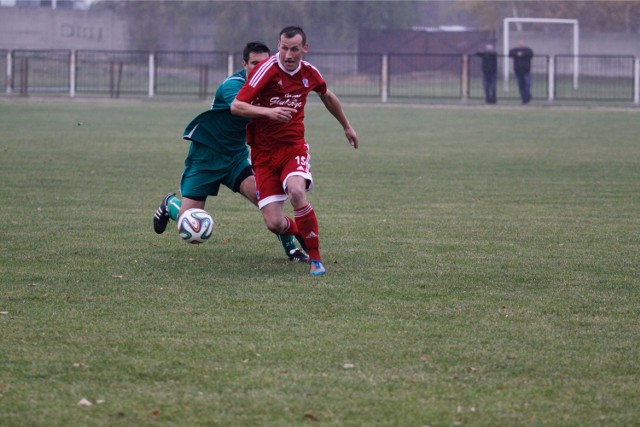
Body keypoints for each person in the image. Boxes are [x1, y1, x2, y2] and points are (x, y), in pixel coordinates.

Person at [153, 41, 309, 263]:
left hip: (236, 157)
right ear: (244, 64)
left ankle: (293, 248)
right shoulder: (232, 85)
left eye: (264, 63)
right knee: (191, 227)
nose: (259, 68)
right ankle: (170, 205)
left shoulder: (270, 85)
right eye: (254, 63)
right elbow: (240, 107)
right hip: (206, 156)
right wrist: (271, 111)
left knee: (265, 200)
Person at [230, 26, 358, 276]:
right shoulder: (265, 71)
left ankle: (316, 259)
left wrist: (347, 126)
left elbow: (327, 95)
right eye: (284, 48)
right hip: (263, 155)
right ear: (278, 45)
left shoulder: (309, 73)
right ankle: (301, 229)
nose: (288, 55)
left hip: (292, 147)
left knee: (297, 191)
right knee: (274, 223)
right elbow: (237, 106)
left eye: (294, 49)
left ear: (304, 49)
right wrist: (269, 112)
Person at [508, 39, 534, 104]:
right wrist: (518, 54)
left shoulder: (528, 50)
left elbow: (530, 54)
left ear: (524, 44)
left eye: (522, 43)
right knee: (521, 86)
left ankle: (527, 96)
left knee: (527, 84)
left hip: (526, 71)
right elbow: (510, 54)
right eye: (519, 43)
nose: (521, 44)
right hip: (518, 71)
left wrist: (521, 54)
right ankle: (524, 99)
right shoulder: (515, 50)